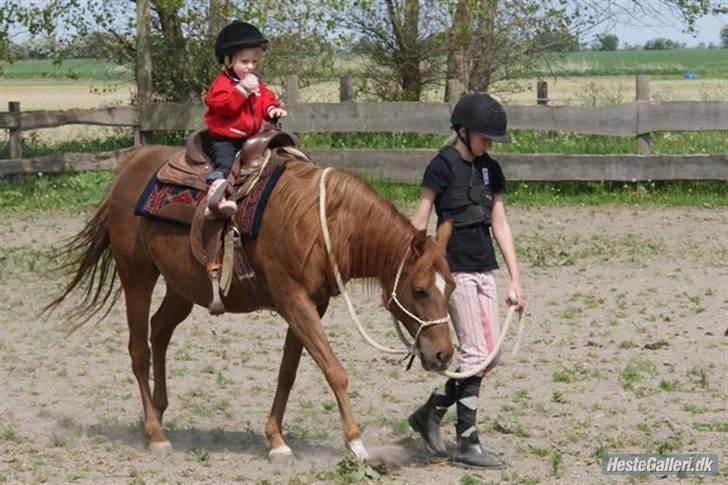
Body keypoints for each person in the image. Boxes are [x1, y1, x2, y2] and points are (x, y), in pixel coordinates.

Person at [408, 92, 526, 468]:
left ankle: (430, 412)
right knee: (477, 354)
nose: (489, 145)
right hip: (452, 271)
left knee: (489, 356)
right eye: (484, 137)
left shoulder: (491, 168)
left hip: (483, 265)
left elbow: (500, 223)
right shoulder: (440, 167)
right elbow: (421, 218)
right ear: (462, 131)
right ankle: (467, 443)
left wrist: (515, 279)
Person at [203, 20, 288, 218]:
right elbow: (222, 106)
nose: (250, 67)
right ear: (228, 60)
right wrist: (242, 90)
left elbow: (265, 97)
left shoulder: (254, 82)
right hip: (226, 138)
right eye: (244, 62)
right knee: (224, 166)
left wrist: (272, 109)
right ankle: (216, 200)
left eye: (254, 62)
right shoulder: (222, 84)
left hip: (251, 137)